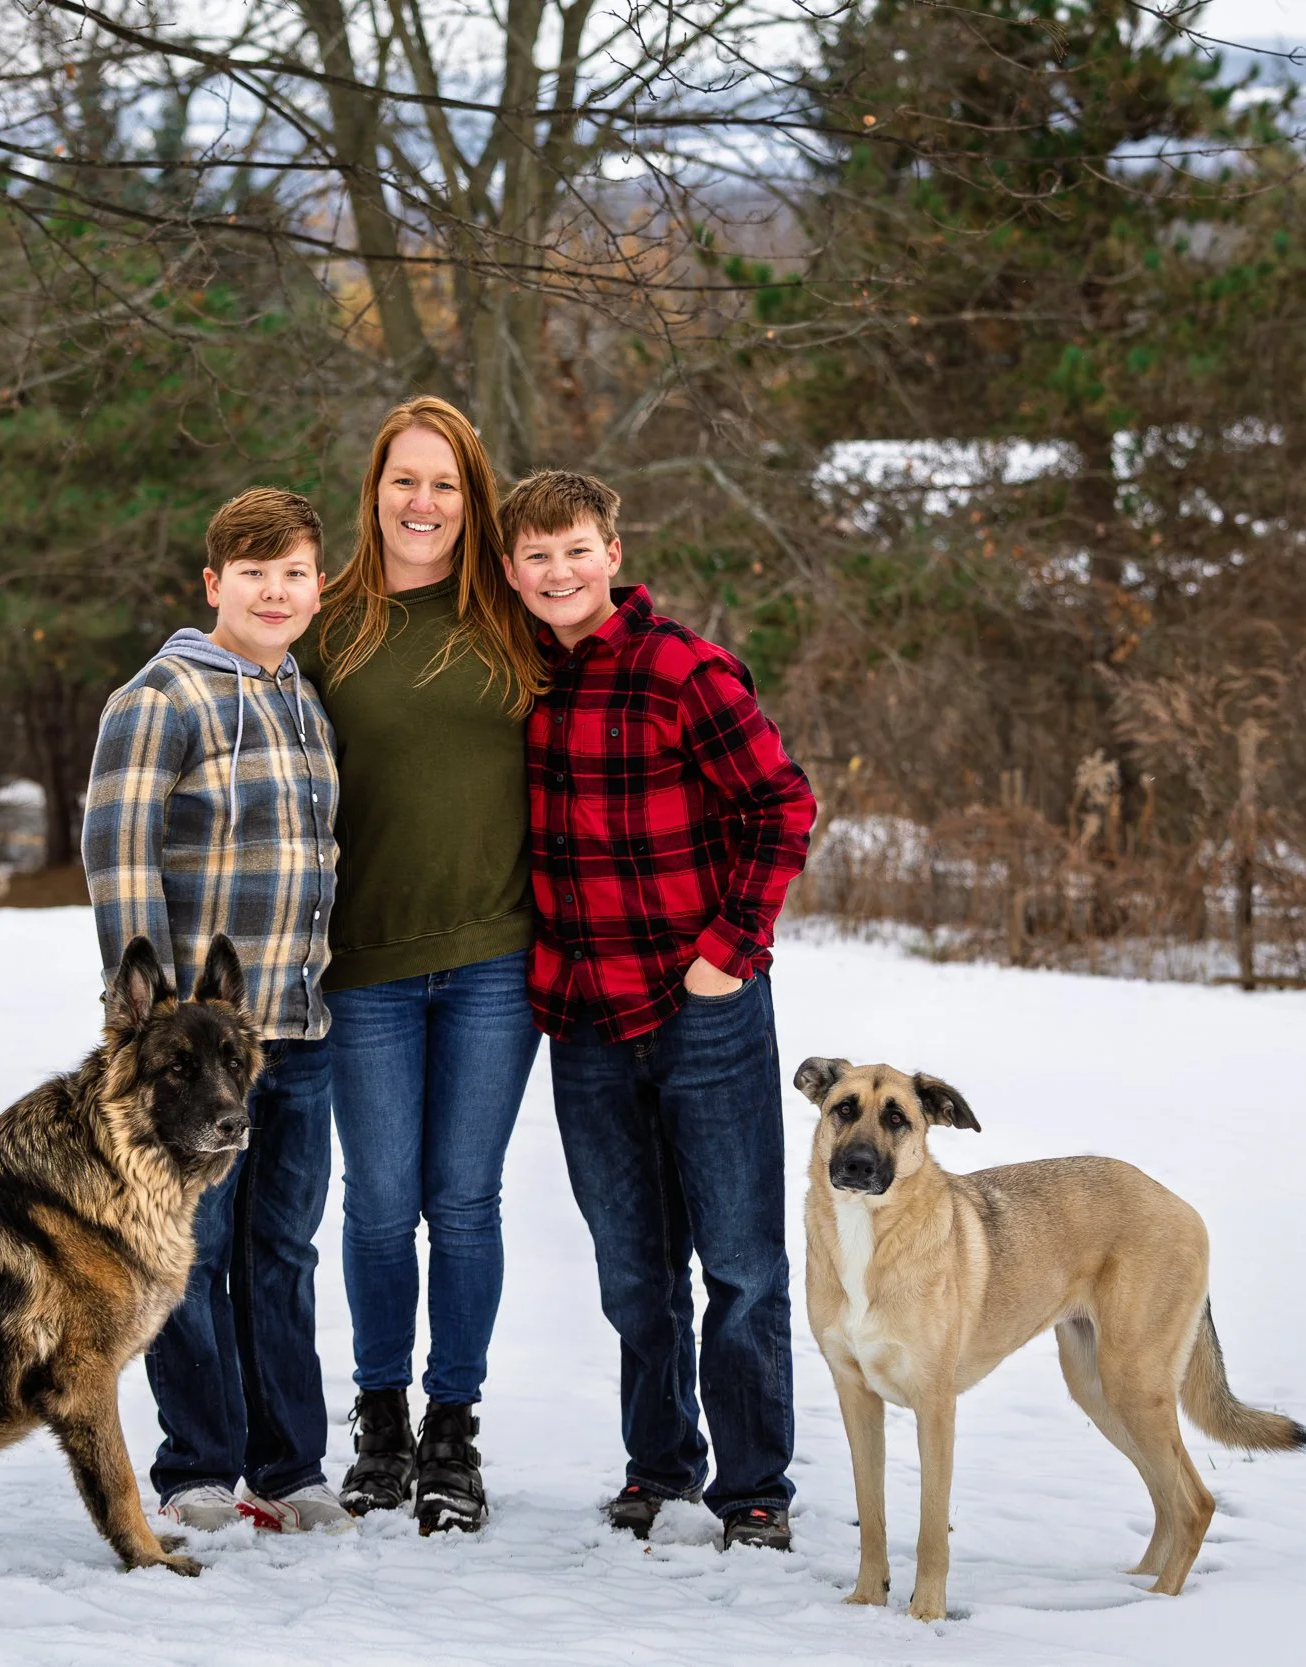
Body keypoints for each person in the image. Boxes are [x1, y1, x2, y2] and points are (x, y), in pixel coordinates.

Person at [496, 469, 818, 1552]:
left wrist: (731, 948)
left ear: (612, 552)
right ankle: (659, 1462)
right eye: (536, 556)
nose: (558, 571)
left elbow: (782, 801)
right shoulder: (515, 681)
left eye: (575, 548)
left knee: (737, 1261)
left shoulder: (680, 667)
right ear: (510, 570)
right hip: (584, 1013)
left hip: (703, 1006)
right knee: (634, 1269)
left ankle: (755, 1485)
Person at [80, 488, 348, 1535]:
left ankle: (288, 1464)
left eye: (293, 575)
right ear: (214, 585)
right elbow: (118, 853)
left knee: (282, 1249)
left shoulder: (302, 696)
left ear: (316, 586)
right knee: (196, 1250)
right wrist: (150, 1026)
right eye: (253, 574)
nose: (274, 593)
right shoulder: (162, 696)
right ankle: (198, 1462)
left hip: (297, 1028)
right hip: (198, 1052)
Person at [307, 397, 547, 1534]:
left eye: (445, 483)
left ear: (473, 496)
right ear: (374, 491)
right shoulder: (332, 621)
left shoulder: (513, 618)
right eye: (404, 479)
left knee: (464, 1203)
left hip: (499, 960)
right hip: (363, 967)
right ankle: (380, 1420)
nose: (423, 502)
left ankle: (452, 1431)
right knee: (377, 1204)